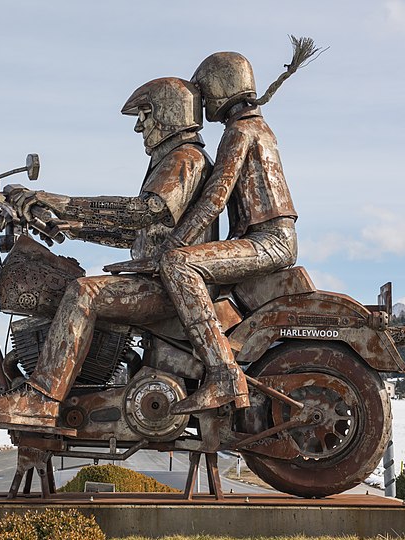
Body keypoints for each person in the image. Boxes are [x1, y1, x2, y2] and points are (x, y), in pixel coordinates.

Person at [0, 77, 214, 429]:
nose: (138, 125)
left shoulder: (184, 159)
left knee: (84, 292)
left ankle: (42, 400)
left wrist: (59, 202)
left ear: (170, 114)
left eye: (145, 114)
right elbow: (137, 232)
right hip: (159, 278)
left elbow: (145, 212)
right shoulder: (170, 161)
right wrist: (73, 227)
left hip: (167, 286)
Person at [109, 41, 321, 415]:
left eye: (203, 94)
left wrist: (168, 249)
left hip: (269, 241)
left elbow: (215, 198)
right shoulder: (254, 127)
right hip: (265, 238)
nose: (200, 107)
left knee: (178, 264)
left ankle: (224, 376)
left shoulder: (241, 131)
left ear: (221, 87)